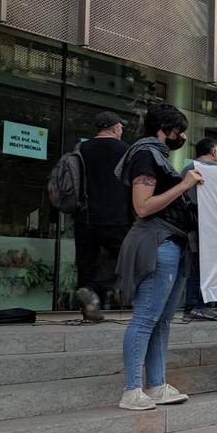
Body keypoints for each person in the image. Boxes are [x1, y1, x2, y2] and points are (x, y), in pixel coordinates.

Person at [112, 103, 201, 410]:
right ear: (165, 129)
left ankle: (157, 384)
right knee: (146, 318)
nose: (183, 136)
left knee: (161, 320)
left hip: (172, 243)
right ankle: (132, 389)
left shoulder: (158, 157)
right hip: (157, 242)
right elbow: (143, 206)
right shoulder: (146, 155)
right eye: (179, 131)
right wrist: (185, 186)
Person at [74, 111, 132, 322]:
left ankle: (89, 310)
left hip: (84, 215)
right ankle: (94, 289)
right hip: (115, 216)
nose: (122, 130)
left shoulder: (81, 148)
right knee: (124, 255)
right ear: (115, 128)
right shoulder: (124, 150)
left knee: (86, 262)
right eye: (121, 127)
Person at [180, 139, 217, 322]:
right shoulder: (214, 170)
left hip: (191, 227)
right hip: (208, 229)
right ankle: (199, 306)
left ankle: (193, 306)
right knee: (204, 267)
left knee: (195, 265)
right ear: (214, 151)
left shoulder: (187, 169)